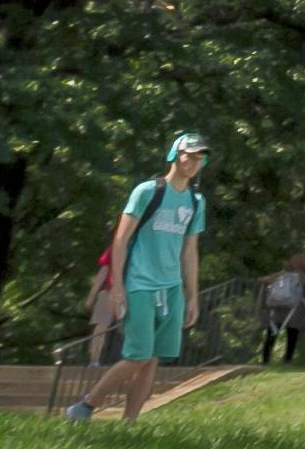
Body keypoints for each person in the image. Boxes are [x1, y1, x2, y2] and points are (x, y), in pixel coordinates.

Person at [66, 132, 208, 422]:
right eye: (188, 155)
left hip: (171, 288)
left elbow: (190, 250)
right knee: (138, 355)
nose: (193, 162)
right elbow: (120, 240)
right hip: (140, 284)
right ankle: (85, 407)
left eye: (199, 157)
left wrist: (192, 295)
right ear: (174, 155)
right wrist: (118, 286)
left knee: (153, 358)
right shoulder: (147, 191)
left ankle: (130, 422)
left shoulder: (196, 201)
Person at [259, 252, 305, 364]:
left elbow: (264, 280)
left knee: (279, 333)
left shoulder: (291, 275)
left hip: (285, 310)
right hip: (290, 310)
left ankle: (270, 360)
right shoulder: (295, 276)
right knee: (285, 334)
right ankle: (282, 360)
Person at [84, 219, 121, 367]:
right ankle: (94, 360)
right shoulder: (114, 249)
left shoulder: (138, 249)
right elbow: (103, 271)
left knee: (126, 328)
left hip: (129, 295)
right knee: (100, 327)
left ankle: (126, 362)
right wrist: (92, 296)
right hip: (108, 292)